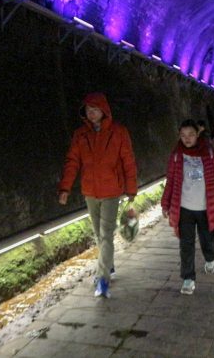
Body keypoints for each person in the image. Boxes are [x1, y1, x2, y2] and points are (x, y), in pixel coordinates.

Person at [58, 92, 137, 298]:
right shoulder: (80, 135)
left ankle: (102, 279)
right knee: (98, 234)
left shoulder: (119, 132)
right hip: (90, 191)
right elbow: (72, 161)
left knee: (105, 234)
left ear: (104, 110)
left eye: (95, 109)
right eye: (88, 110)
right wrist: (65, 188)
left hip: (111, 191)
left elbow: (128, 161)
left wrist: (131, 189)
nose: (92, 114)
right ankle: (108, 265)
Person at [161, 120, 214, 295]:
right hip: (184, 208)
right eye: (183, 135)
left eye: (191, 134)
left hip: (206, 208)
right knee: (186, 244)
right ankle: (188, 279)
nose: (187, 139)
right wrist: (166, 203)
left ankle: (209, 258)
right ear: (179, 136)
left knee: (207, 240)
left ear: (197, 134)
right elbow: (170, 181)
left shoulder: (208, 154)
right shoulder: (177, 155)